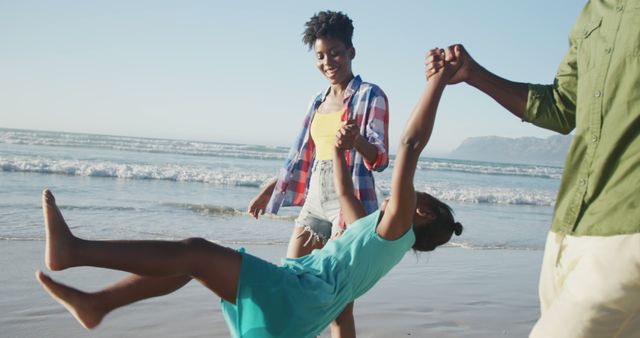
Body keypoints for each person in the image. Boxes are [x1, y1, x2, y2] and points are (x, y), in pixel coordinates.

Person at [36, 48, 462, 338]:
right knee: (194, 264)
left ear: (421, 211)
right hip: (302, 298)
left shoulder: (398, 224)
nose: (401, 196)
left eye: (413, 197)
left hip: (299, 295)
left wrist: (438, 82)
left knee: (195, 252)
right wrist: (336, 146)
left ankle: (75, 252)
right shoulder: (374, 229)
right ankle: (98, 304)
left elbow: (407, 146)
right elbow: (345, 189)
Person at [426, 1, 640, 336]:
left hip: (628, 228)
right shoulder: (591, 13)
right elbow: (561, 107)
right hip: (569, 226)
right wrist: (474, 74)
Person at [247, 11, 389, 336]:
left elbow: (380, 158)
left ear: (351, 51)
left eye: (335, 53)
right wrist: (271, 188)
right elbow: (304, 157)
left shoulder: (371, 95)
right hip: (314, 201)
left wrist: (357, 141)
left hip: (347, 204)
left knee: (338, 307)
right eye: (321, 56)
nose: (328, 62)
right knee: (292, 283)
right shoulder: (318, 100)